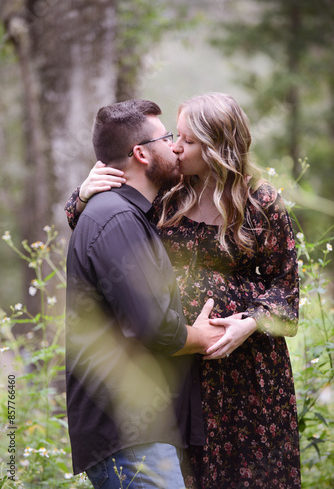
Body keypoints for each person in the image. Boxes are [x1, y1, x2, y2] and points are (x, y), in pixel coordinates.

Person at [65, 93, 301, 488]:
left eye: (187, 141)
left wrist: (250, 323)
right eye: (175, 137)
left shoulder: (262, 203)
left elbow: (286, 291)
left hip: (248, 378)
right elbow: (105, 230)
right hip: (180, 372)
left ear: (217, 148)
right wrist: (82, 194)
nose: (175, 147)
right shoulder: (167, 195)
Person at [65, 99, 228, 489]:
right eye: (168, 138)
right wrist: (202, 337)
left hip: (136, 436)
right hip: (127, 437)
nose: (175, 147)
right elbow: (153, 327)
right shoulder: (118, 218)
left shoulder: (125, 212)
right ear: (140, 153)